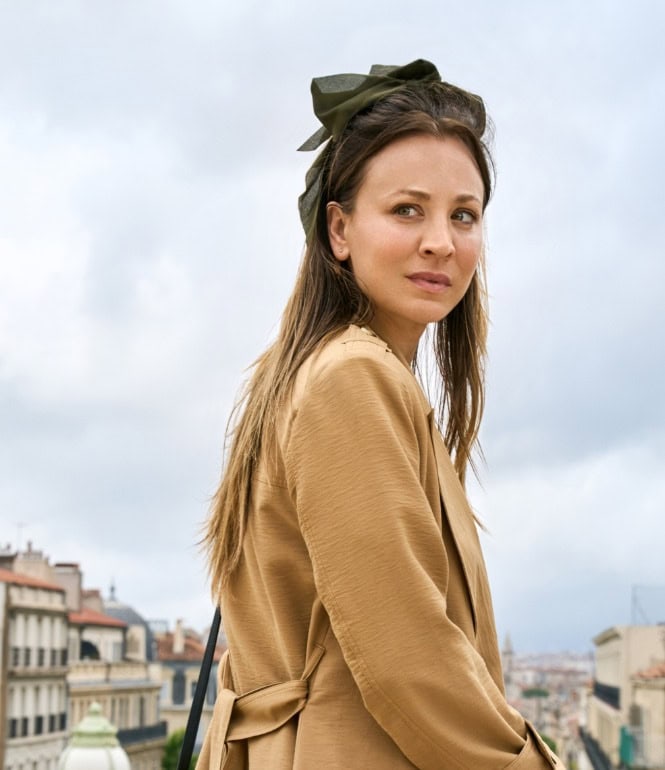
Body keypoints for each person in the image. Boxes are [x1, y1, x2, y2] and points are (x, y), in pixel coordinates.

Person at [198, 60, 565, 770]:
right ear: (338, 230)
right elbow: (407, 658)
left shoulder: (313, 371)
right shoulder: (351, 378)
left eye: (463, 214)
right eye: (407, 210)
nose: (441, 241)